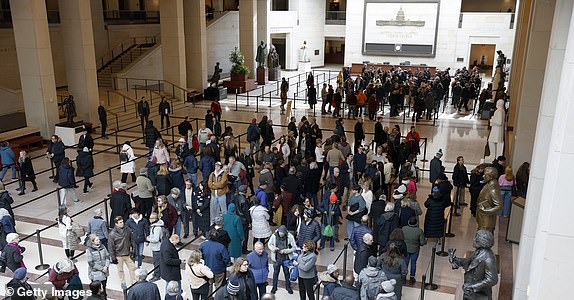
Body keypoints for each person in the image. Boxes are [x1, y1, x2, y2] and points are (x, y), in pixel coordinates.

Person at [108, 216, 136, 290]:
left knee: (132, 268)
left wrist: (133, 250)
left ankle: (134, 281)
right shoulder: (112, 234)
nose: (122, 223)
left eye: (122, 221)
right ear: (116, 224)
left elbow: (132, 240)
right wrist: (113, 258)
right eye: (120, 222)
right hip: (118, 255)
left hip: (127, 253)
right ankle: (123, 282)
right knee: (120, 270)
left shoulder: (127, 230)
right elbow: (110, 247)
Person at [267, 225, 296, 294]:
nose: (281, 235)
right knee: (275, 273)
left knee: (287, 273)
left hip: (286, 258)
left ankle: (288, 287)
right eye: (280, 233)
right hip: (276, 258)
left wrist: (285, 251)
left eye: (282, 234)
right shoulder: (274, 236)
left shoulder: (290, 237)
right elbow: (269, 244)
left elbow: (294, 247)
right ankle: (274, 287)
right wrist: (274, 249)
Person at [147, 212, 164, 282]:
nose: (149, 219)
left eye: (151, 218)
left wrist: (148, 239)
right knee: (156, 261)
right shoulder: (155, 226)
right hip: (155, 247)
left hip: (157, 247)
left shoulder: (156, 228)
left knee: (156, 262)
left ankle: (157, 275)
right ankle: (157, 273)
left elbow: (156, 239)